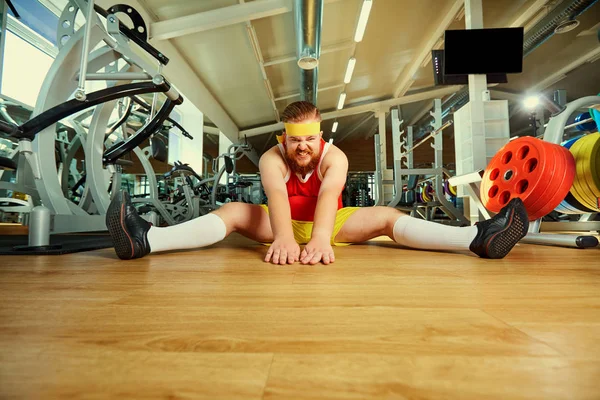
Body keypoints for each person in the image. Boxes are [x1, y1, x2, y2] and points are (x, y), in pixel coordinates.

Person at [105, 101, 529, 263]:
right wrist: (285, 239)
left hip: (334, 221)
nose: (303, 147)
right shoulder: (274, 158)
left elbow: (329, 195)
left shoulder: (336, 156)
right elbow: (275, 196)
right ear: (282, 139)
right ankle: (146, 240)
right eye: (296, 140)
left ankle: (478, 239)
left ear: (320, 137)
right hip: (278, 220)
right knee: (234, 211)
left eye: (310, 139)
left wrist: (321, 238)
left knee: (384, 215)